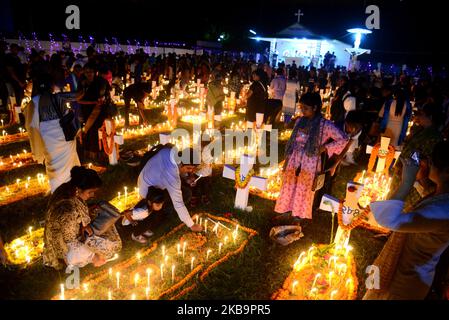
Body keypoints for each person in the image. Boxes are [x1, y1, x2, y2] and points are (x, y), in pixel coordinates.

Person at [363, 140, 449, 300]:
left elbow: (387, 219)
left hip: (405, 282)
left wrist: (407, 182)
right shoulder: (442, 197)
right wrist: (421, 179)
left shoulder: (443, 211)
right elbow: (430, 200)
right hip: (408, 272)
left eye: (432, 162)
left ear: (447, 172)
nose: (428, 164)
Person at [275, 92, 348, 220]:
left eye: (306, 108)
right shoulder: (300, 121)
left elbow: (343, 139)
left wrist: (326, 147)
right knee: (290, 182)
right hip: (295, 158)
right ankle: (287, 208)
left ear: (315, 108)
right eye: (301, 107)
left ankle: (299, 213)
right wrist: (287, 160)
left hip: (311, 161)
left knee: (304, 187)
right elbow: (293, 140)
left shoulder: (325, 124)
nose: (302, 111)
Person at [43, 166, 122, 270]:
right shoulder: (68, 211)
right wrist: (94, 257)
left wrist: (88, 212)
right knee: (113, 246)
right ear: (78, 189)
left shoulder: (67, 188)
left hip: (68, 234)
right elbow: (71, 243)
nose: (93, 195)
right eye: (90, 192)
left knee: (104, 224)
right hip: (65, 249)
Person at [24, 73, 81, 193]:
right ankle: (72, 186)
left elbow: (31, 124)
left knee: (52, 163)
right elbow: (79, 95)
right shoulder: (58, 97)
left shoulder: (34, 102)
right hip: (64, 134)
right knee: (69, 161)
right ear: (51, 85)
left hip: (47, 137)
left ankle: (57, 190)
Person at [137, 145, 203, 232]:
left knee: (184, 191)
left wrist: (186, 177)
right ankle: (161, 212)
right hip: (149, 193)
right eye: (188, 168)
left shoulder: (170, 151)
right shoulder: (172, 176)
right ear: (181, 163)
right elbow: (178, 203)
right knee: (186, 194)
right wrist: (192, 225)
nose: (190, 171)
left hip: (144, 179)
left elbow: (178, 169)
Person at [389, 102, 442, 207]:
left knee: (401, 204)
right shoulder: (422, 130)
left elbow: (424, 159)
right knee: (395, 199)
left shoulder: (433, 137)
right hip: (406, 172)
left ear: (430, 117)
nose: (419, 116)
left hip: (413, 178)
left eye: (422, 114)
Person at [76, 63, 110, 161]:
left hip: (100, 111)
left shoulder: (101, 82)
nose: (89, 74)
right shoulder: (82, 83)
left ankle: (101, 152)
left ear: (95, 72)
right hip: (88, 111)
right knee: (89, 131)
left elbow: (108, 95)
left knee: (98, 131)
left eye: (91, 71)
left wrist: (104, 100)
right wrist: (92, 102)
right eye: (86, 72)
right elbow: (78, 99)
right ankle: (89, 153)